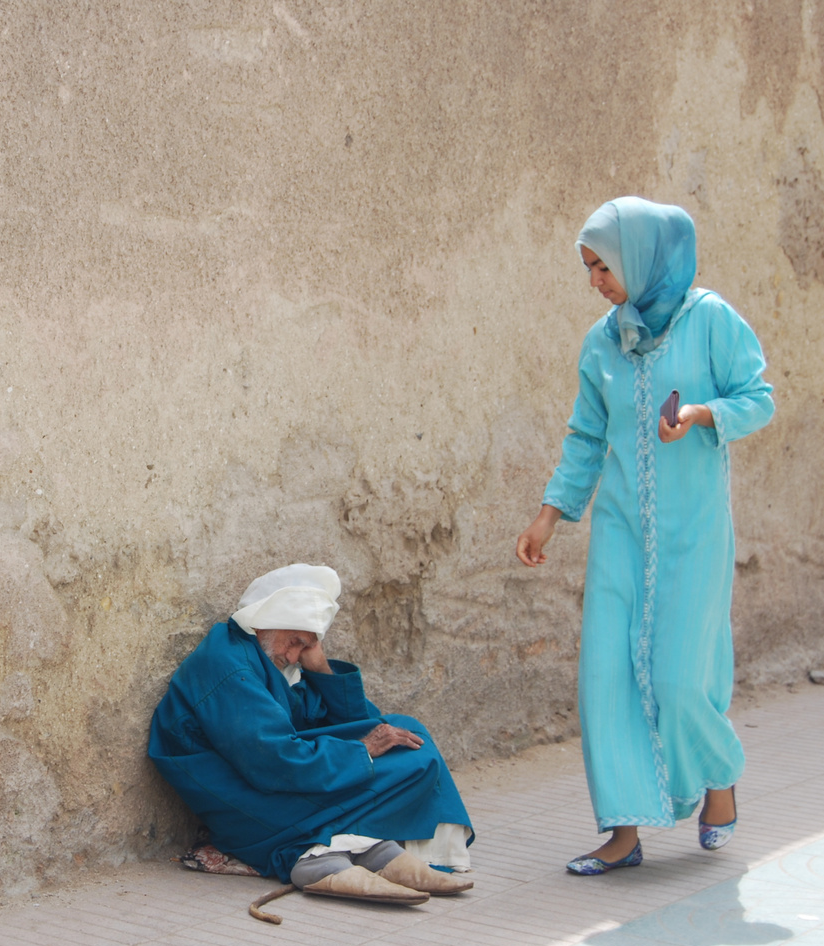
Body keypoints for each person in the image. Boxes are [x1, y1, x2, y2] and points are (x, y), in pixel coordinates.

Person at [515, 197, 775, 875]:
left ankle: (718, 780)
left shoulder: (709, 320)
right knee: (605, 678)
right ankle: (623, 833)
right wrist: (550, 513)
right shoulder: (601, 341)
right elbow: (584, 437)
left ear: (639, 257)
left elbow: (758, 397)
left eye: (603, 266)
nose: (594, 281)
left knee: (680, 681)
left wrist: (701, 412)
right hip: (620, 533)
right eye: (588, 268)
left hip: (693, 533)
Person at [148, 564, 474, 906]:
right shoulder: (230, 667)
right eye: (295, 642)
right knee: (414, 764)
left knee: (408, 739)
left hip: (273, 778)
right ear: (267, 619)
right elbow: (274, 763)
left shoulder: (268, 655)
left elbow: (351, 721)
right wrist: (362, 751)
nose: (293, 656)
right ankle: (317, 854)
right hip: (246, 801)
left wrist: (320, 668)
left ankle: (354, 847)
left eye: (304, 646)